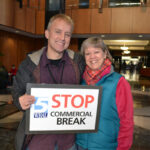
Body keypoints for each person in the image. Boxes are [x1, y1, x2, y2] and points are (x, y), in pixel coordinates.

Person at [12, 14, 85, 150]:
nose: (62, 38)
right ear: (47, 34)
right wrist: (19, 100)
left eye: (67, 34)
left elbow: (94, 77)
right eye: (58, 32)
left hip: (69, 143)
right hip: (38, 143)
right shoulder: (29, 64)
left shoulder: (78, 62)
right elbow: (16, 91)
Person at [76, 37, 134, 150]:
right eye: (88, 53)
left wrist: (123, 147)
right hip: (80, 145)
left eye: (96, 52)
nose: (92, 57)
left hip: (106, 146)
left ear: (105, 54)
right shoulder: (80, 81)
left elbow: (126, 120)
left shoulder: (119, 82)